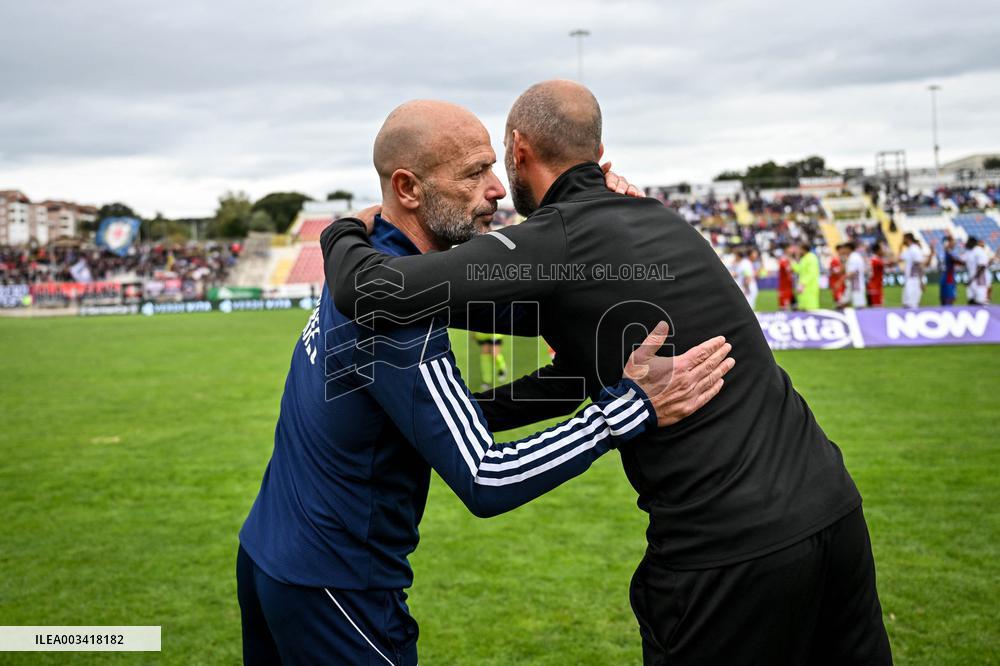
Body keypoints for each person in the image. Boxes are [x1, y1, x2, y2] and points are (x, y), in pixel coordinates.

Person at [323, 81, 890, 665]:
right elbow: (575, 377)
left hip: (728, 547)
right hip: (833, 510)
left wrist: (343, 228)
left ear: (518, 149)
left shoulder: (555, 240)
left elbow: (370, 291)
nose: (494, 185)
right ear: (597, 150)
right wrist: (446, 420)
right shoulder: (658, 220)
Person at [237, 99, 735, 666]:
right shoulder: (394, 315)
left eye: (493, 167)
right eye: (474, 173)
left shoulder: (374, 268)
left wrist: (602, 214)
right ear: (408, 189)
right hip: (336, 590)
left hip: (271, 556)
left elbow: (512, 332)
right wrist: (629, 408)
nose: (497, 189)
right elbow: (486, 476)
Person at [899, 233, 929, 308]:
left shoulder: (915, 249)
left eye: (904, 238)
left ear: (908, 239)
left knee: (912, 305)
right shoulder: (909, 250)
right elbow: (899, 259)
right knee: (906, 304)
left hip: (914, 280)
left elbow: (919, 265)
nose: (902, 240)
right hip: (909, 280)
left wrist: (921, 281)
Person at [791, 240, 821, 310]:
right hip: (803, 287)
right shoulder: (804, 258)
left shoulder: (811, 258)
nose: (797, 251)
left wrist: (802, 283)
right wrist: (794, 261)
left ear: (803, 249)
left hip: (810, 286)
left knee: (810, 308)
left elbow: (812, 273)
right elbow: (799, 269)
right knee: (803, 306)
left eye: (798, 249)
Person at [964, 236, 990, 305]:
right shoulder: (969, 251)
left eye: (968, 241)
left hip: (979, 282)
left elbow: (982, 267)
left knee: (980, 302)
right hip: (971, 280)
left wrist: (972, 279)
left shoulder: (979, 251)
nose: (966, 243)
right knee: (971, 301)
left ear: (972, 242)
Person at [939, 236, 962, 306]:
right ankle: (948, 309)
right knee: (949, 296)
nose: (954, 244)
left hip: (944, 275)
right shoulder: (949, 252)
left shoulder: (942, 252)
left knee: (944, 296)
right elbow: (957, 261)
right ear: (948, 243)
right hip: (949, 275)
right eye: (952, 242)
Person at [845, 241, 867, 309]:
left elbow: (852, 272)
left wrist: (841, 281)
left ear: (848, 248)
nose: (844, 250)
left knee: (859, 306)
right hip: (855, 284)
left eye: (845, 248)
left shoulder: (853, 257)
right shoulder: (856, 256)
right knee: (853, 303)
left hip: (856, 284)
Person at [776, 243, 796, 310]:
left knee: (794, 306)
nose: (792, 250)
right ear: (786, 249)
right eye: (790, 248)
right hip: (784, 287)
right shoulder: (783, 259)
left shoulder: (789, 259)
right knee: (783, 307)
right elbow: (789, 269)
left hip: (789, 286)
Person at [867, 242, 886, 307]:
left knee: (874, 306)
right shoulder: (876, 260)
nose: (883, 251)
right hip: (875, 286)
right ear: (877, 250)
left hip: (873, 286)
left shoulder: (873, 259)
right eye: (882, 249)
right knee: (877, 307)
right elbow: (888, 264)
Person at [829, 243, 846, 307]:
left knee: (843, 300)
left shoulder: (843, 259)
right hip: (836, 282)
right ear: (838, 250)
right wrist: (844, 268)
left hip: (842, 282)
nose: (844, 251)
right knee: (839, 300)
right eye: (842, 249)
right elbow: (836, 272)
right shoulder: (835, 260)